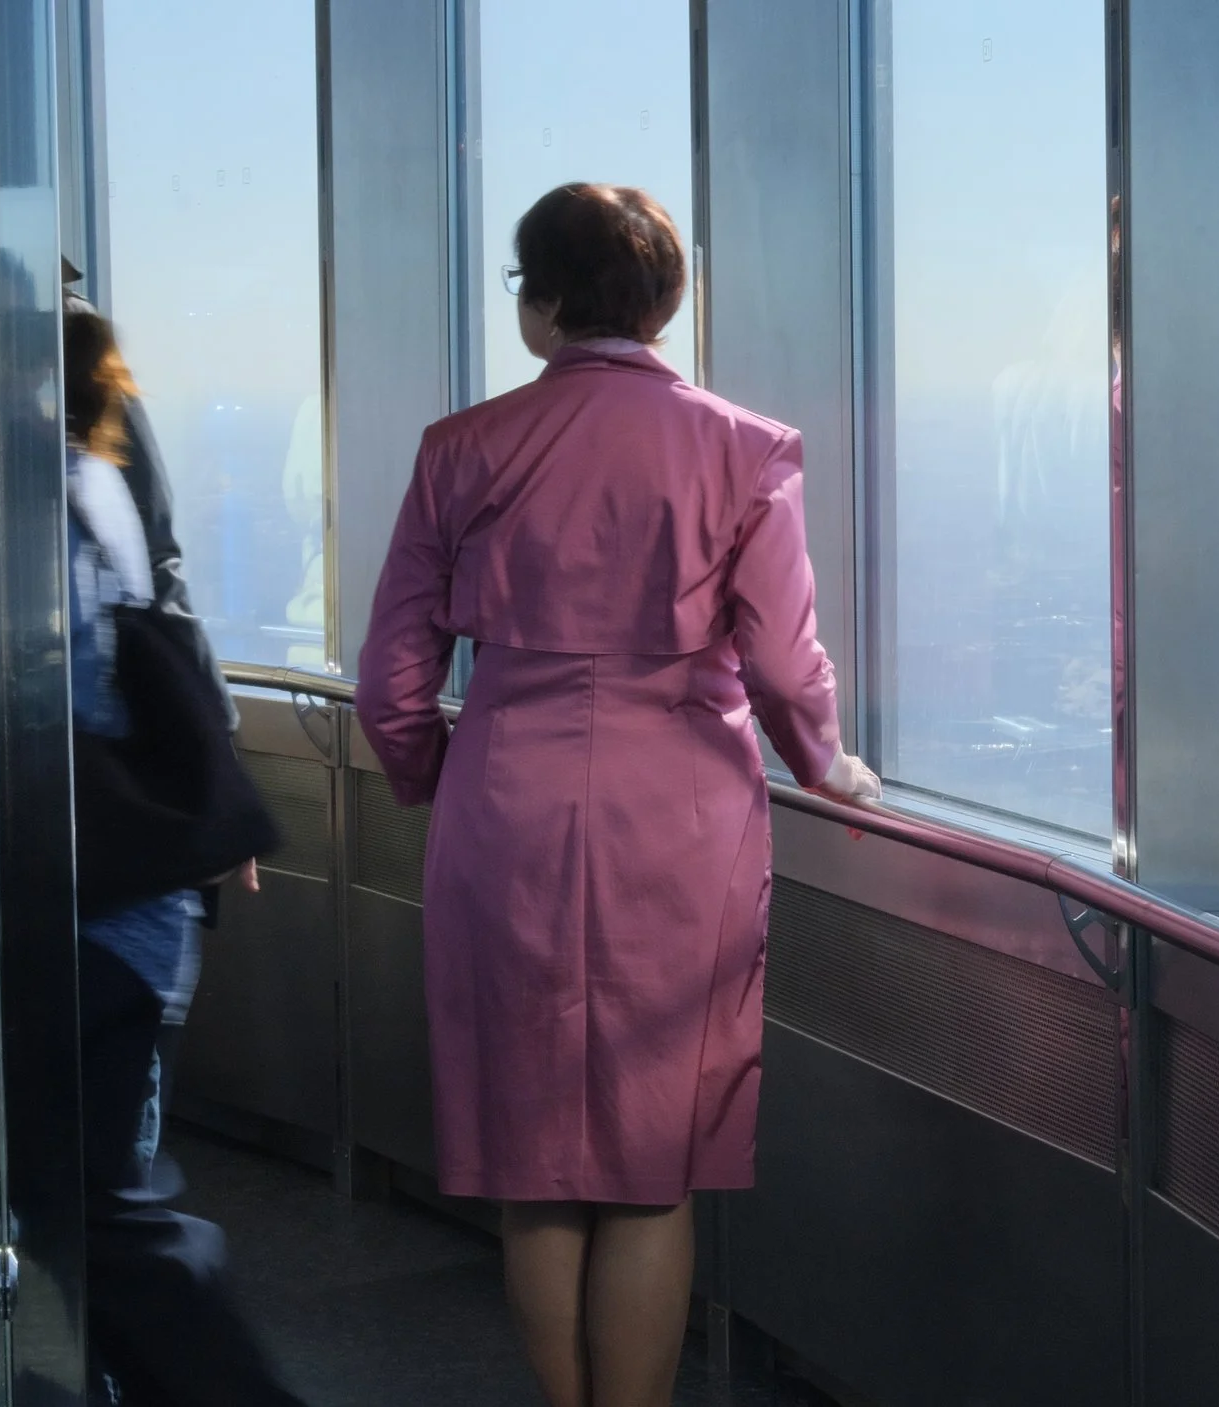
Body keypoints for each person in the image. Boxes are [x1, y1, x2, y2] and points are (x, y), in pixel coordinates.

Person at [355, 182, 880, 1407]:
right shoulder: (746, 448)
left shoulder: (459, 449)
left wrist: (438, 773)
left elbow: (393, 676)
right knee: (652, 1166)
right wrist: (825, 764)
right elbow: (784, 659)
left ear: (537, 306)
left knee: (531, 1160)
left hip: (505, 806)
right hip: (680, 821)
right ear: (665, 303)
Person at [63, 294, 305, 1406]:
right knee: (106, 1189)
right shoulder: (96, 485)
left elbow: (74, 691)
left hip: (103, 896)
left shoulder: (62, 505)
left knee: (108, 1201)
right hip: (130, 894)